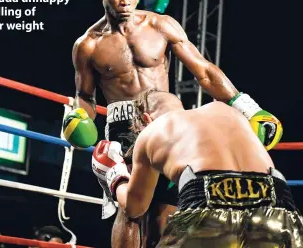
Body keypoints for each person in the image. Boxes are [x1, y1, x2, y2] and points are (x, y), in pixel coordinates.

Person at [67, 0, 282, 247]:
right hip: (124, 125)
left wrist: (247, 107)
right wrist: (79, 119)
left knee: (168, 210)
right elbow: (86, 97)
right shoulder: (88, 45)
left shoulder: (160, 25)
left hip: (169, 121)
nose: (126, 1)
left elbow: (203, 71)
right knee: (130, 210)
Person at [92, 89, 303, 247]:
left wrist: (115, 175)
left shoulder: (153, 130)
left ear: (145, 120)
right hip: (279, 204)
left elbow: (134, 207)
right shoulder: (225, 111)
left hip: (208, 204)